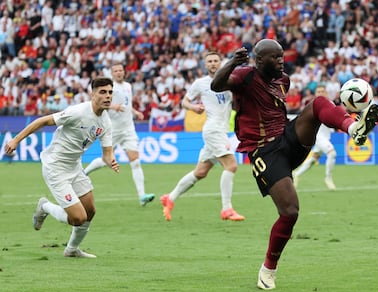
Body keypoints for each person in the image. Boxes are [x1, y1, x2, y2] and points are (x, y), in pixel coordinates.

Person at [210, 39, 378, 290]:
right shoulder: (245, 76)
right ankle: (268, 269)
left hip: (287, 139)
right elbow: (217, 85)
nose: (281, 61)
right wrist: (231, 63)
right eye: (275, 58)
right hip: (264, 151)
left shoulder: (283, 80)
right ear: (259, 61)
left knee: (319, 103)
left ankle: (354, 128)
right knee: (290, 211)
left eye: (281, 56)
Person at [4, 77, 120, 258]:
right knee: (78, 218)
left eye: (110, 92)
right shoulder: (78, 112)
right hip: (55, 168)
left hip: (74, 167)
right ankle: (45, 207)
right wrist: (15, 140)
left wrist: (111, 160)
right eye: (103, 92)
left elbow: (107, 154)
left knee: (90, 210)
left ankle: (71, 250)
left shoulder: (105, 122)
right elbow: (42, 121)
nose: (108, 96)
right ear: (93, 94)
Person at [160, 51, 244, 222]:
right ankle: (227, 209)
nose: (213, 63)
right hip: (213, 130)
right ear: (205, 65)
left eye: (216, 60)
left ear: (221, 63)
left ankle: (170, 198)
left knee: (200, 172)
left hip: (218, 130)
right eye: (210, 61)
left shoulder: (228, 82)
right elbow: (184, 101)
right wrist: (192, 107)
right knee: (231, 165)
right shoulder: (200, 83)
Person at [84, 63, 155, 206]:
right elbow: (95, 103)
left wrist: (135, 112)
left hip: (128, 128)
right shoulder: (110, 89)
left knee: (135, 161)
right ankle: (84, 173)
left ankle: (142, 196)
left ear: (124, 72)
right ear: (112, 73)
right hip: (112, 129)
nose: (118, 73)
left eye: (120, 70)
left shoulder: (128, 86)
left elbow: (127, 104)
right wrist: (112, 106)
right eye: (115, 71)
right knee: (106, 160)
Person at [293, 85, 337, 190]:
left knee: (314, 158)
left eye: (323, 91)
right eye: (318, 92)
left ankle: (297, 174)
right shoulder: (312, 107)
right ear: (315, 94)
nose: (321, 93)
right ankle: (328, 178)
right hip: (318, 136)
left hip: (326, 136)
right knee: (332, 153)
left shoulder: (331, 104)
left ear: (326, 93)